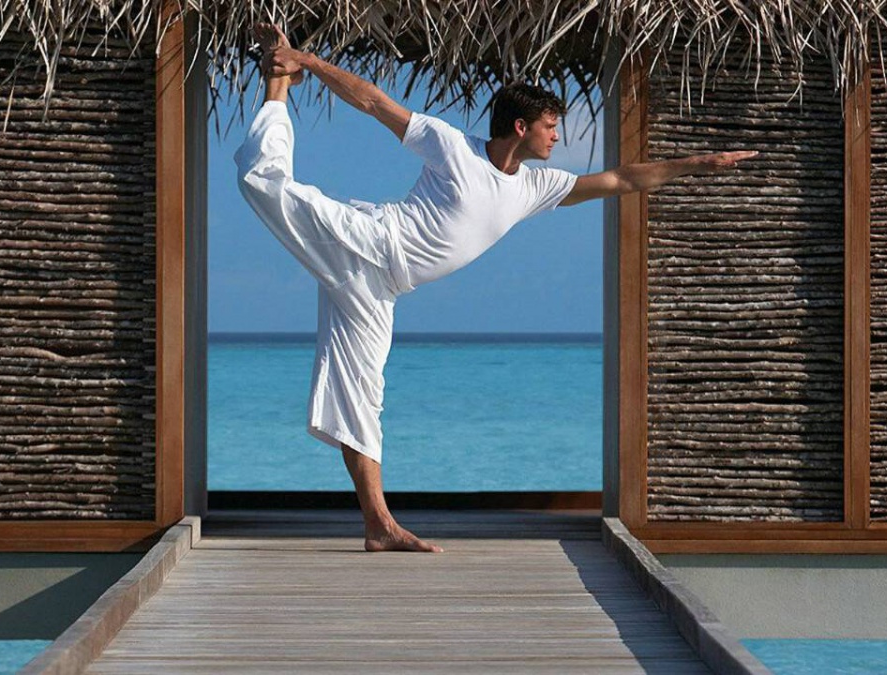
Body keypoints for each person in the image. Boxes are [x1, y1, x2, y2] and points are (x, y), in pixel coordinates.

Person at [235, 23, 758, 553]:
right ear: (520, 126)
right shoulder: (452, 147)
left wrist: (697, 164)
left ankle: (379, 525)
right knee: (260, 181)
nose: (558, 137)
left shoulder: (535, 187)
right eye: (550, 126)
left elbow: (620, 180)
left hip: (382, 287)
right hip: (366, 241)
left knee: (362, 395)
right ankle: (278, 81)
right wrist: (308, 60)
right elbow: (374, 103)